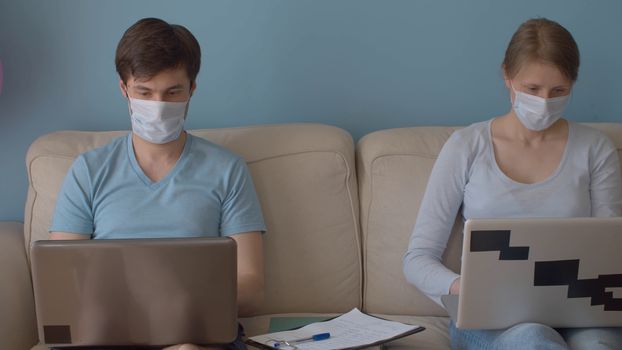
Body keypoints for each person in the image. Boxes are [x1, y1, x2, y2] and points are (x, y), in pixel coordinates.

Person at [403, 18, 622, 350]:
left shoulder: (595, 149)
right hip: (494, 322)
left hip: (579, 314)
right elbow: (417, 259)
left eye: (558, 91)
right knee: (531, 341)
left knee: (599, 345)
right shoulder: (467, 146)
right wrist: (469, 288)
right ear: (507, 75)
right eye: (532, 89)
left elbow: (610, 252)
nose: (544, 102)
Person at [49, 18, 266, 350]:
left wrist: (179, 306)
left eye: (173, 92)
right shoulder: (88, 171)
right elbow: (62, 282)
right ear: (124, 89)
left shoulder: (228, 169)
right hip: (108, 334)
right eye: (144, 93)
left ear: (192, 88)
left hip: (196, 334)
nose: (158, 106)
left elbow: (251, 287)